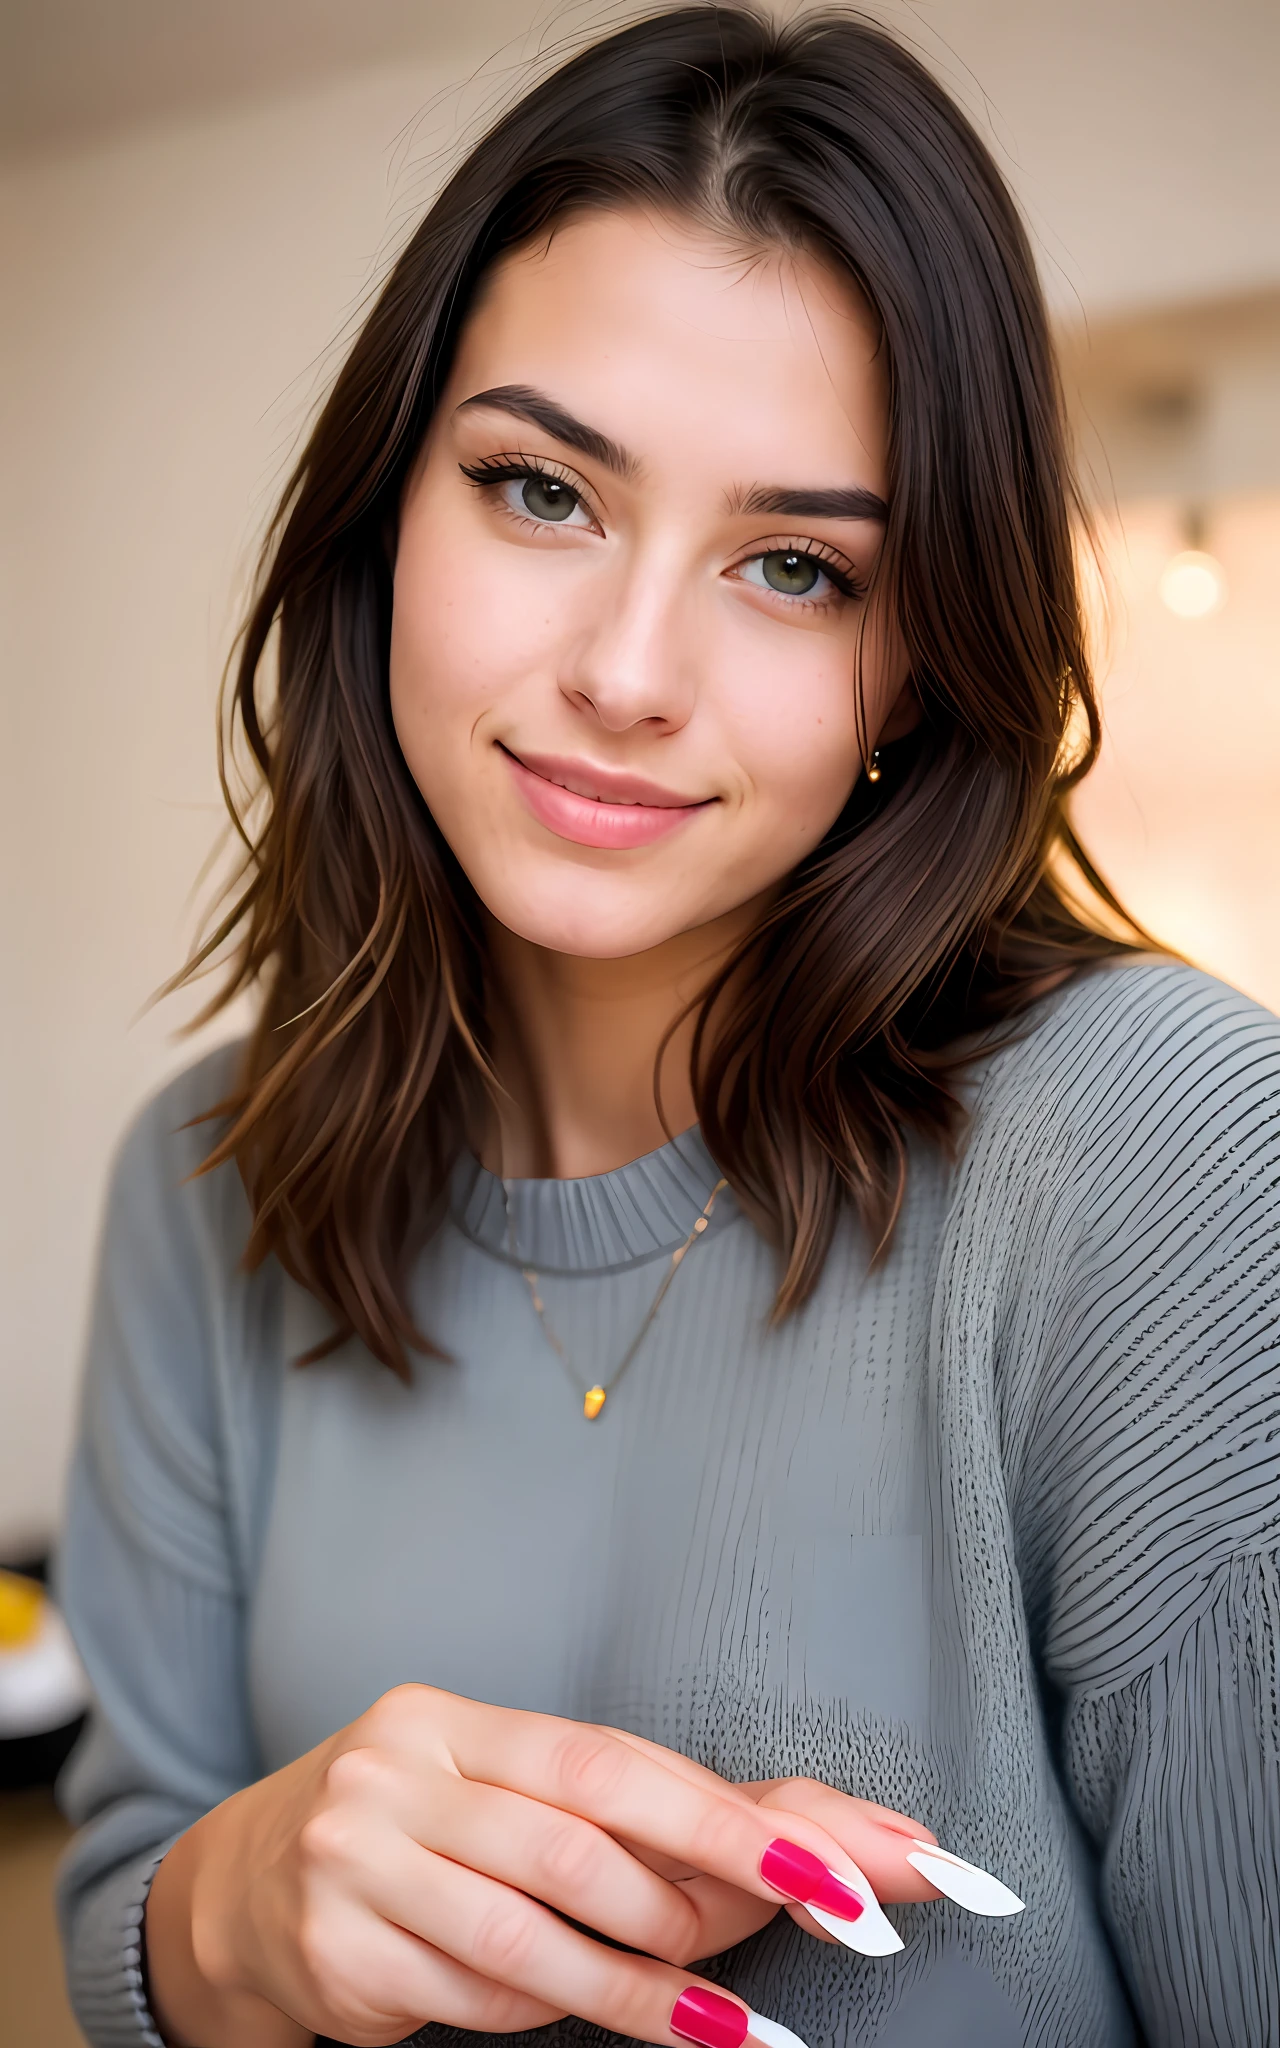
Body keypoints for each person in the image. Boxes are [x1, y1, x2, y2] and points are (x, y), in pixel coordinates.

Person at [54, 9, 1280, 2048]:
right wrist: (236, 1903)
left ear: (915, 669)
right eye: (540, 491)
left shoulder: (1165, 1148)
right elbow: (128, 1896)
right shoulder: (206, 1185)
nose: (629, 669)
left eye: (794, 565)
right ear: (381, 523)